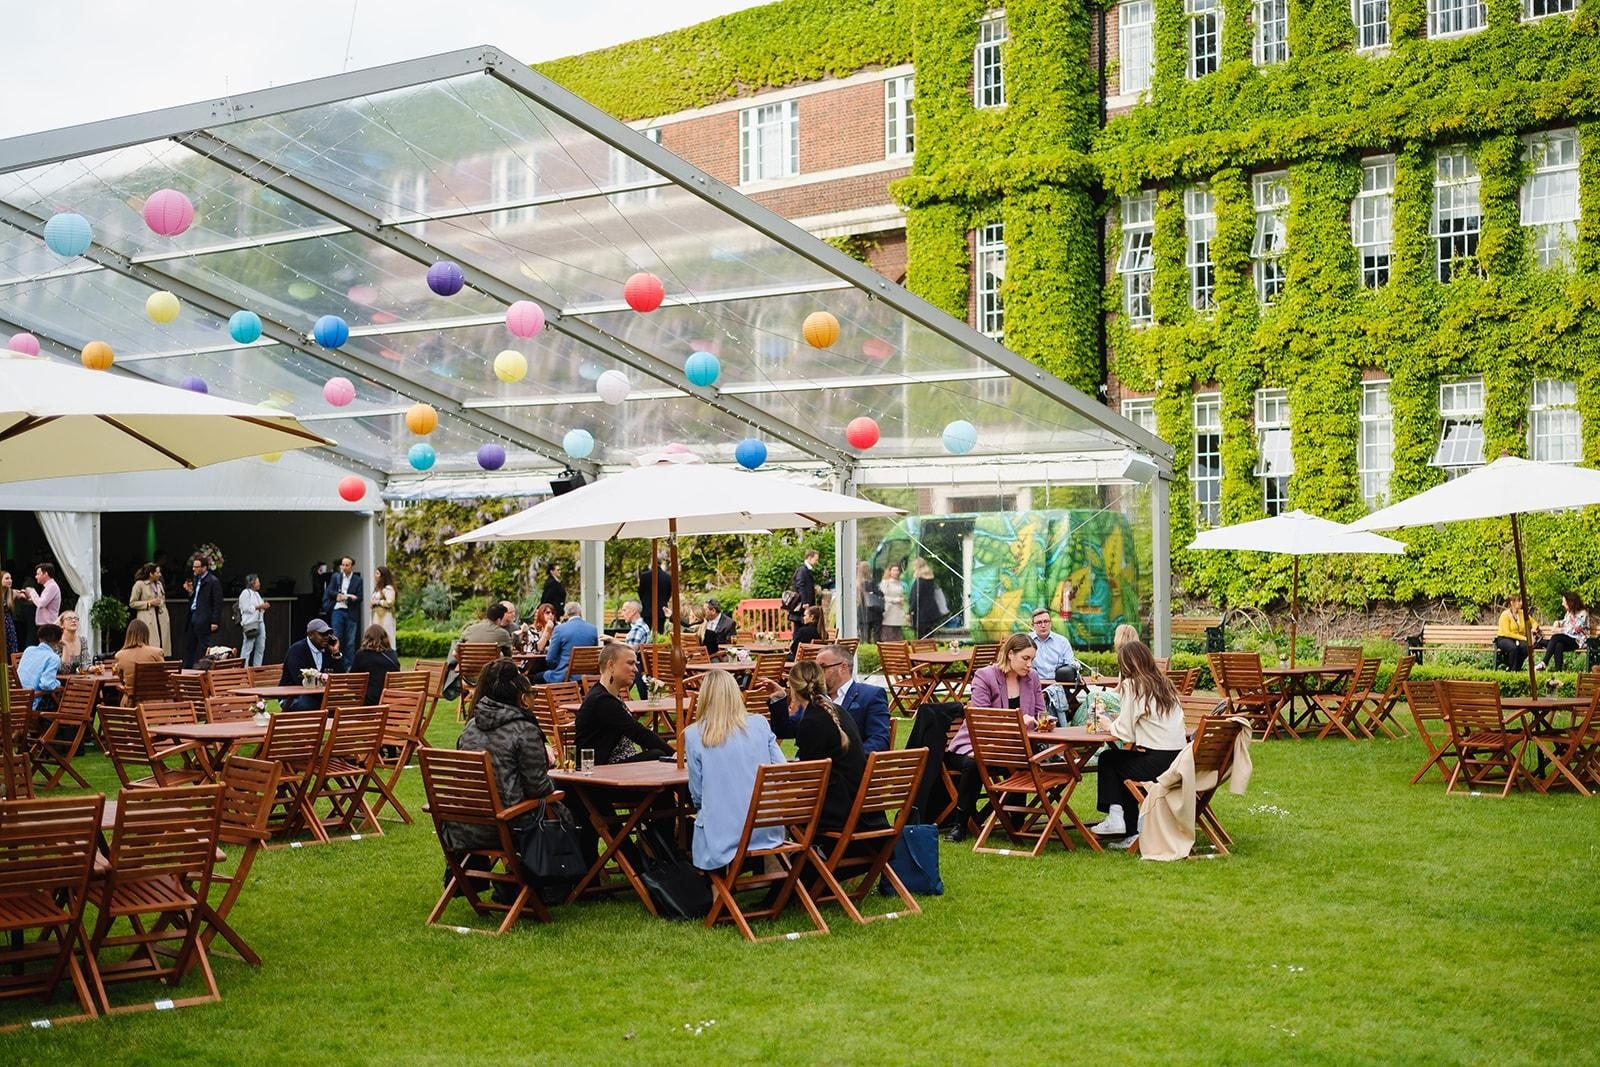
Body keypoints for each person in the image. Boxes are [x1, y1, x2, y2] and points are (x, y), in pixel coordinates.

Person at [446, 658, 564, 889]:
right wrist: (554, 779)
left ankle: (514, 880)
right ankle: (562, 883)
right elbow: (539, 788)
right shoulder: (524, 730)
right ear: (521, 697)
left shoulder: (470, 728)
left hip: (461, 826)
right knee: (573, 809)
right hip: (505, 826)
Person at [942, 633, 1049, 842]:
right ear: (1010, 654)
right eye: (1025, 659)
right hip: (972, 744)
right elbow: (980, 719)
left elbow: (1040, 713)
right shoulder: (985, 676)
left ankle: (1015, 822)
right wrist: (1018, 722)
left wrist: (1042, 722)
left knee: (1025, 758)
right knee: (975, 763)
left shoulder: (1032, 678)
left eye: (1032, 660)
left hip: (1010, 748)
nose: (1030, 665)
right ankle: (960, 824)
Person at [1087, 641, 1189, 848]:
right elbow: (1148, 720)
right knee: (1122, 762)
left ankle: (1118, 819)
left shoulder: (1133, 685)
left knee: (1110, 760)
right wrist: (1120, 718)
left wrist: (1108, 722)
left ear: (1125, 665)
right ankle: (1129, 829)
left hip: (1158, 763)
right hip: (1178, 760)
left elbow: (1125, 733)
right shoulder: (1164, 684)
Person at [685, 670, 786, 872]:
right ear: (736, 693)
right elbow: (780, 768)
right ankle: (775, 876)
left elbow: (697, 793)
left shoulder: (695, 734)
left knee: (699, 819)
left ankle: (717, 894)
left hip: (723, 832)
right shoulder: (759, 724)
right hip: (766, 825)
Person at [778, 660, 876, 833]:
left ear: (793, 689)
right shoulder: (836, 711)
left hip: (837, 810)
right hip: (860, 806)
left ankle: (789, 858)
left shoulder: (812, 721)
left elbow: (810, 777)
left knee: (772, 809)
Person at [759, 643, 890, 755]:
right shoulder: (814, 698)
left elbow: (879, 740)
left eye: (822, 667)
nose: (817, 673)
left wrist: (846, 758)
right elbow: (786, 731)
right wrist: (780, 698)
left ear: (842, 667)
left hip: (845, 774)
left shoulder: (870, 695)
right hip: (811, 768)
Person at [574, 642, 671, 764]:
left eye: (636, 664)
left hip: (618, 766)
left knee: (659, 755)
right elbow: (638, 732)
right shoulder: (601, 700)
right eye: (630, 663)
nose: (635, 669)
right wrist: (675, 755)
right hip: (600, 772)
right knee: (659, 755)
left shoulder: (610, 696)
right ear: (611, 665)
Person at [1029, 606, 1086, 724]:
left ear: (1051, 623)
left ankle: (1057, 726)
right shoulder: (1026, 641)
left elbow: (1071, 665)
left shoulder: (1062, 641)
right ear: (1033, 625)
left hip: (1060, 687)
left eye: (1046, 621)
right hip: (1033, 686)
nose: (1043, 625)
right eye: (1039, 622)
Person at [279, 618, 343, 711]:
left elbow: (340, 677)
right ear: (310, 634)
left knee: (345, 704)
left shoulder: (328, 651)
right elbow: (299, 679)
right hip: (293, 696)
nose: (326, 637)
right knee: (310, 705)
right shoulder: (297, 650)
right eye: (322, 634)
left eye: (328, 634)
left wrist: (336, 653)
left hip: (319, 696)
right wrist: (323, 679)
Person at [542, 602, 599, 684]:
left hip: (565, 675)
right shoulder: (593, 629)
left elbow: (550, 659)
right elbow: (593, 653)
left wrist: (556, 666)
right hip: (587, 676)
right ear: (580, 612)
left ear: (566, 614)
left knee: (536, 677)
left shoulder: (560, 629)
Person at [322, 556, 363, 670]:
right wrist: (337, 596)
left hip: (351, 612)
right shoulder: (336, 577)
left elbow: (359, 598)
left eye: (347, 565)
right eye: (342, 565)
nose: (344, 567)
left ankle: (349, 667)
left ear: (352, 566)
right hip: (338, 610)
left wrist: (348, 598)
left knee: (350, 642)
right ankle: (336, 664)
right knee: (336, 638)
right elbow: (329, 591)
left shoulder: (357, 580)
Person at [184, 554, 224, 669]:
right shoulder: (196, 579)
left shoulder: (212, 581)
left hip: (204, 617)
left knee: (206, 646)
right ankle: (187, 671)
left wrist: (215, 621)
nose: (194, 569)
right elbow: (196, 598)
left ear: (204, 567)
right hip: (193, 615)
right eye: (194, 566)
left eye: (196, 567)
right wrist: (190, 592)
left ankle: (209, 670)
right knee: (189, 646)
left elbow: (218, 602)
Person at [112, 619, 165, 703]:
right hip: (154, 702)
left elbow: (122, 680)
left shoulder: (120, 655)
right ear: (146, 635)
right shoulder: (157, 652)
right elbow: (164, 677)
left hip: (132, 704)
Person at [606, 600, 651, 698]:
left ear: (633, 611)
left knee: (610, 668)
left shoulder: (637, 628)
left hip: (636, 665)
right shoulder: (643, 625)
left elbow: (631, 650)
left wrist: (612, 640)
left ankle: (611, 698)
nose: (622, 613)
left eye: (624, 610)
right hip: (640, 666)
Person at [352, 624, 402, 705]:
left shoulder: (361, 655)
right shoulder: (392, 654)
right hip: (390, 702)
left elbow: (352, 683)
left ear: (367, 638)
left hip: (369, 704)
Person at [129, 562, 171, 656]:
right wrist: (148, 603)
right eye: (157, 572)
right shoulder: (140, 584)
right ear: (151, 574)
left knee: (162, 644)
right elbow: (132, 603)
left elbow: (162, 599)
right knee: (150, 643)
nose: (159, 575)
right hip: (147, 618)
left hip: (160, 617)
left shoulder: (159, 584)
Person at [17, 624, 64, 709]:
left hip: (16, 699)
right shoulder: (53, 657)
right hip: (32, 702)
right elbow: (46, 685)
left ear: (39, 638)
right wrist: (58, 683)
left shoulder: (29, 650)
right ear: (58, 641)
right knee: (63, 696)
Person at [1539, 591, 1587, 671]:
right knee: (1558, 644)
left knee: (1556, 637)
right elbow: (1564, 622)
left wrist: (1559, 630)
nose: (1562, 604)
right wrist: (1557, 622)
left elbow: (1575, 629)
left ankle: (1544, 662)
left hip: (1577, 641)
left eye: (1564, 602)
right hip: (1568, 640)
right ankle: (1558, 672)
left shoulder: (1583, 613)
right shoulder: (1569, 613)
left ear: (1570, 602)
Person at [1495, 594, 1538, 673]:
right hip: (1504, 638)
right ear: (1512, 603)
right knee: (1513, 648)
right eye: (1519, 601)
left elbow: (1534, 622)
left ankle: (1517, 669)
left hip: (1518, 638)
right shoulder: (1505, 615)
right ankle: (1512, 670)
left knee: (1526, 647)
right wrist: (1526, 638)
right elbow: (1507, 633)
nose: (1521, 603)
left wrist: (1533, 628)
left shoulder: (1522, 613)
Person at [238, 573, 269, 667]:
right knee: (248, 646)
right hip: (250, 623)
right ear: (252, 582)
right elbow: (245, 608)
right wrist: (259, 606)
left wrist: (263, 607)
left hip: (260, 622)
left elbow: (260, 608)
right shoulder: (245, 593)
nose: (259, 584)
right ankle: (244, 668)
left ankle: (257, 667)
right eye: (257, 581)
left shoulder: (257, 594)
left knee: (261, 646)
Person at [19, 563, 62, 628]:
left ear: (46, 574)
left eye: (38, 574)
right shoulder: (49, 586)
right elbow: (40, 602)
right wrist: (27, 596)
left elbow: (41, 604)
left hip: (48, 625)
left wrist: (32, 591)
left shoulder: (52, 586)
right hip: (46, 625)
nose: (36, 576)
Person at [909, 558, 942, 640]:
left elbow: (916, 597)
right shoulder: (930, 579)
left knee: (921, 636)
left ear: (916, 567)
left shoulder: (920, 581)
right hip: (931, 611)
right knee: (930, 635)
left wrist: (910, 610)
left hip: (921, 612)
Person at [637, 562, 673, 635]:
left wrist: (644, 601)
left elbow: (640, 592)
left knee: (645, 632)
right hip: (661, 609)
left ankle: (645, 646)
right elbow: (669, 593)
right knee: (659, 632)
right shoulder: (667, 577)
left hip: (646, 609)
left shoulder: (644, 576)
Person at [788, 549, 820, 627]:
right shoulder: (802, 570)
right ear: (809, 558)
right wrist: (805, 602)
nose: (817, 562)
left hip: (805, 607)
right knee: (800, 628)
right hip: (803, 607)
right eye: (816, 560)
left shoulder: (806, 570)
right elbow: (800, 586)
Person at [369, 565, 397, 647]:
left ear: (383, 576)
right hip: (376, 616)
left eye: (377, 573)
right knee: (375, 635)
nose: (375, 575)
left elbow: (390, 602)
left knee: (385, 634)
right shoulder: (378, 588)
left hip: (385, 617)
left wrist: (378, 602)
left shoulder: (388, 588)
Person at [858, 561, 883, 644]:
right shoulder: (871, 582)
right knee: (876, 636)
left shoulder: (857, 583)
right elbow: (879, 594)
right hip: (874, 611)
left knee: (865, 636)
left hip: (862, 612)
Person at [879, 563, 907, 640]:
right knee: (889, 631)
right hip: (889, 610)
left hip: (898, 610)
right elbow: (882, 597)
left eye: (897, 570)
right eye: (894, 570)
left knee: (897, 631)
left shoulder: (900, 583)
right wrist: (896, 600)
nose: (896, 572)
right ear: (890, 571)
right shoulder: (885, 583)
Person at [1, 570, 16, 657]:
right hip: (1, 625)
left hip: (8, 625)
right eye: (7, 578)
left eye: (10, 578)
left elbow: (25, 596)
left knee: (11, 649)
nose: (10, 580)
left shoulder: (11, 593)